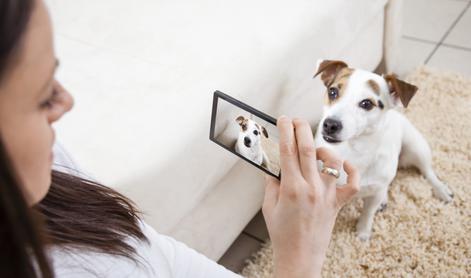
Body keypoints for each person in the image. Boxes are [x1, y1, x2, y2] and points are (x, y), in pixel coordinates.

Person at [0, 0, 360, 277]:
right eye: (42, 94)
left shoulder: (47, 170)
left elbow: (148, 247)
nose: (67, 102)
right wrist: (301, 255)